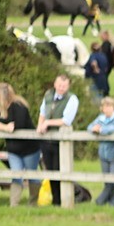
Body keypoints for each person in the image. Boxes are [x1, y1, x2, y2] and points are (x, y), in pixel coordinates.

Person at [0, 82, 41, 207]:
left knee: (32, 175)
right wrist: (4, 127)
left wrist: (6, 127)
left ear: (1, 94)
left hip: (29, 149)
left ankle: (33, 203)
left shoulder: (19, 106)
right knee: (16, 175)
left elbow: (17, 125)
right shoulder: (0, 108)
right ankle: (14, 205)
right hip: (13, 150)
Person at [36, 74, 79, 206]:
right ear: (55, 84)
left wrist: (48, 123)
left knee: (60, 170)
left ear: (68, 86)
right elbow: (42, 112)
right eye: (59, 85)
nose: (61, 88)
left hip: (60, 141)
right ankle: (55, 200)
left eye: (64, 86)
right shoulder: (48, 95)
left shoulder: (72, 99)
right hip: (46, 140)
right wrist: (40, 125)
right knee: (50, 171)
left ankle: (63, 200)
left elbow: (66, 120)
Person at [86, 96, 114, 206]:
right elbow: (90, 127)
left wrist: (102, 130)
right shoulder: (101, 118)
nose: (107, 109)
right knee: (107, 181)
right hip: (104, 155)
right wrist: (94, 129)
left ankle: (99, 201)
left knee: (112, 180)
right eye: (105, 106)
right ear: (102, 108)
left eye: (110, 106)